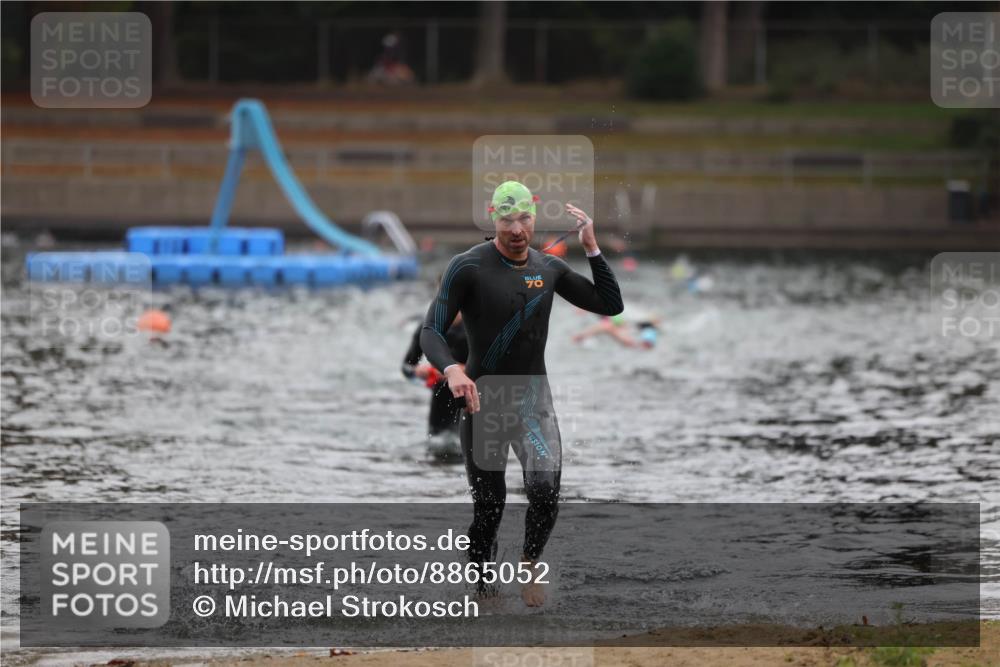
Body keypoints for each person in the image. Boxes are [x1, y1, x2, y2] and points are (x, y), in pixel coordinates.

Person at [419, 181, 624, 607]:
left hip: (533, 403)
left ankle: (530, 562)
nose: (517, 229)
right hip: (483, 404)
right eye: (507, 220)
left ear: (535, 217)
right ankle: (483, 593)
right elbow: (431, 331)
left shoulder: (549, 268)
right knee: (488, 510)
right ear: (493, 217)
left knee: (545, 489)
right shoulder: (467, 267)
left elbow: (610, 305)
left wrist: (591, 248)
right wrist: (452, 369)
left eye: (525, 219)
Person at [401, 312, 468, 457]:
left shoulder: (477, 326)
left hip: (470, 396)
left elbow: (493, 369)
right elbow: (407, 367)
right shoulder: (427, 327)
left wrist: (461, 370)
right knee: (435, 446)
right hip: (440, 396)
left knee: (469, 449)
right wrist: (419, 371)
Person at [571, 307, 662, 349]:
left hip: (631, 341)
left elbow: (646, 345)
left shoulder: (649, 330)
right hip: (628, 336)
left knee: (608, 325)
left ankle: (581, 336)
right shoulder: (643, 326)